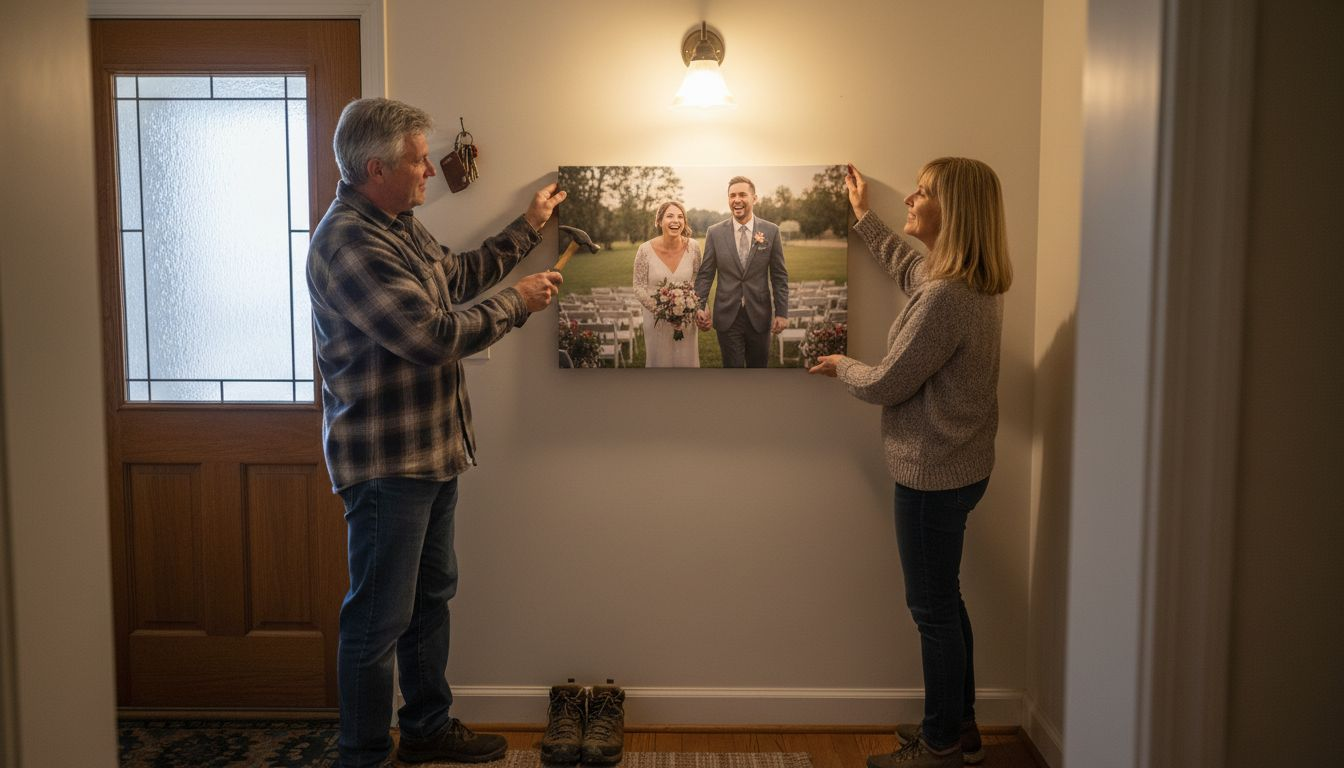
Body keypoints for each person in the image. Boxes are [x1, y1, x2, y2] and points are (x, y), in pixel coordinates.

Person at [306, 97, 565, 768]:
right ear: (375, 168)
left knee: (430, 599)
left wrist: (527, 227)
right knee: (377, 618)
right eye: (419, 161)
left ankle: (425, 729)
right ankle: (362, 753)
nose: (429, 171)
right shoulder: (348, 243)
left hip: (435, 452)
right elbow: (430, 336)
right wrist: (519, 303)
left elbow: (454, 277)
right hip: (388, 464)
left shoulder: (398, 223)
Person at [809, 160, 1012, 768]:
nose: (914, 197)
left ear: (954, 210)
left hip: (934, 475)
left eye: (924, 191)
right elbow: (908, 268)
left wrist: (840, 364)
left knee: (930, 611)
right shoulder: (964, 283)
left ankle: (941, 743)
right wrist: (865, 217)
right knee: (944, 601)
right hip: (962, 467)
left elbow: (887, 383)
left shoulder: (947, 297)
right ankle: (963, 726)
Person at [694, 176, 789, 367]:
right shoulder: (715, 232)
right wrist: (699, 304)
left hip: (759, 315)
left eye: (742, 195)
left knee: (758, 370)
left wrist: (782, 312)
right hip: (727, 316)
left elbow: (779, 276)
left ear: (754, 198)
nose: (736, 200)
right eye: (732, 195)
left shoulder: (771, 231)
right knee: (733, 371)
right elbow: (706, 273)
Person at [633, 201, 703, 367]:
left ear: (684, 222)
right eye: (670, 216)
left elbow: (698, 279)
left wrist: (694, 306)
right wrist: (663, 310)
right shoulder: (644, 250)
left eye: (680, 217)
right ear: (659, 221)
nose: (675, 220)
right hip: (656, 321)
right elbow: (638, 287)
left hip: (686, 320)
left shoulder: (693, 247)